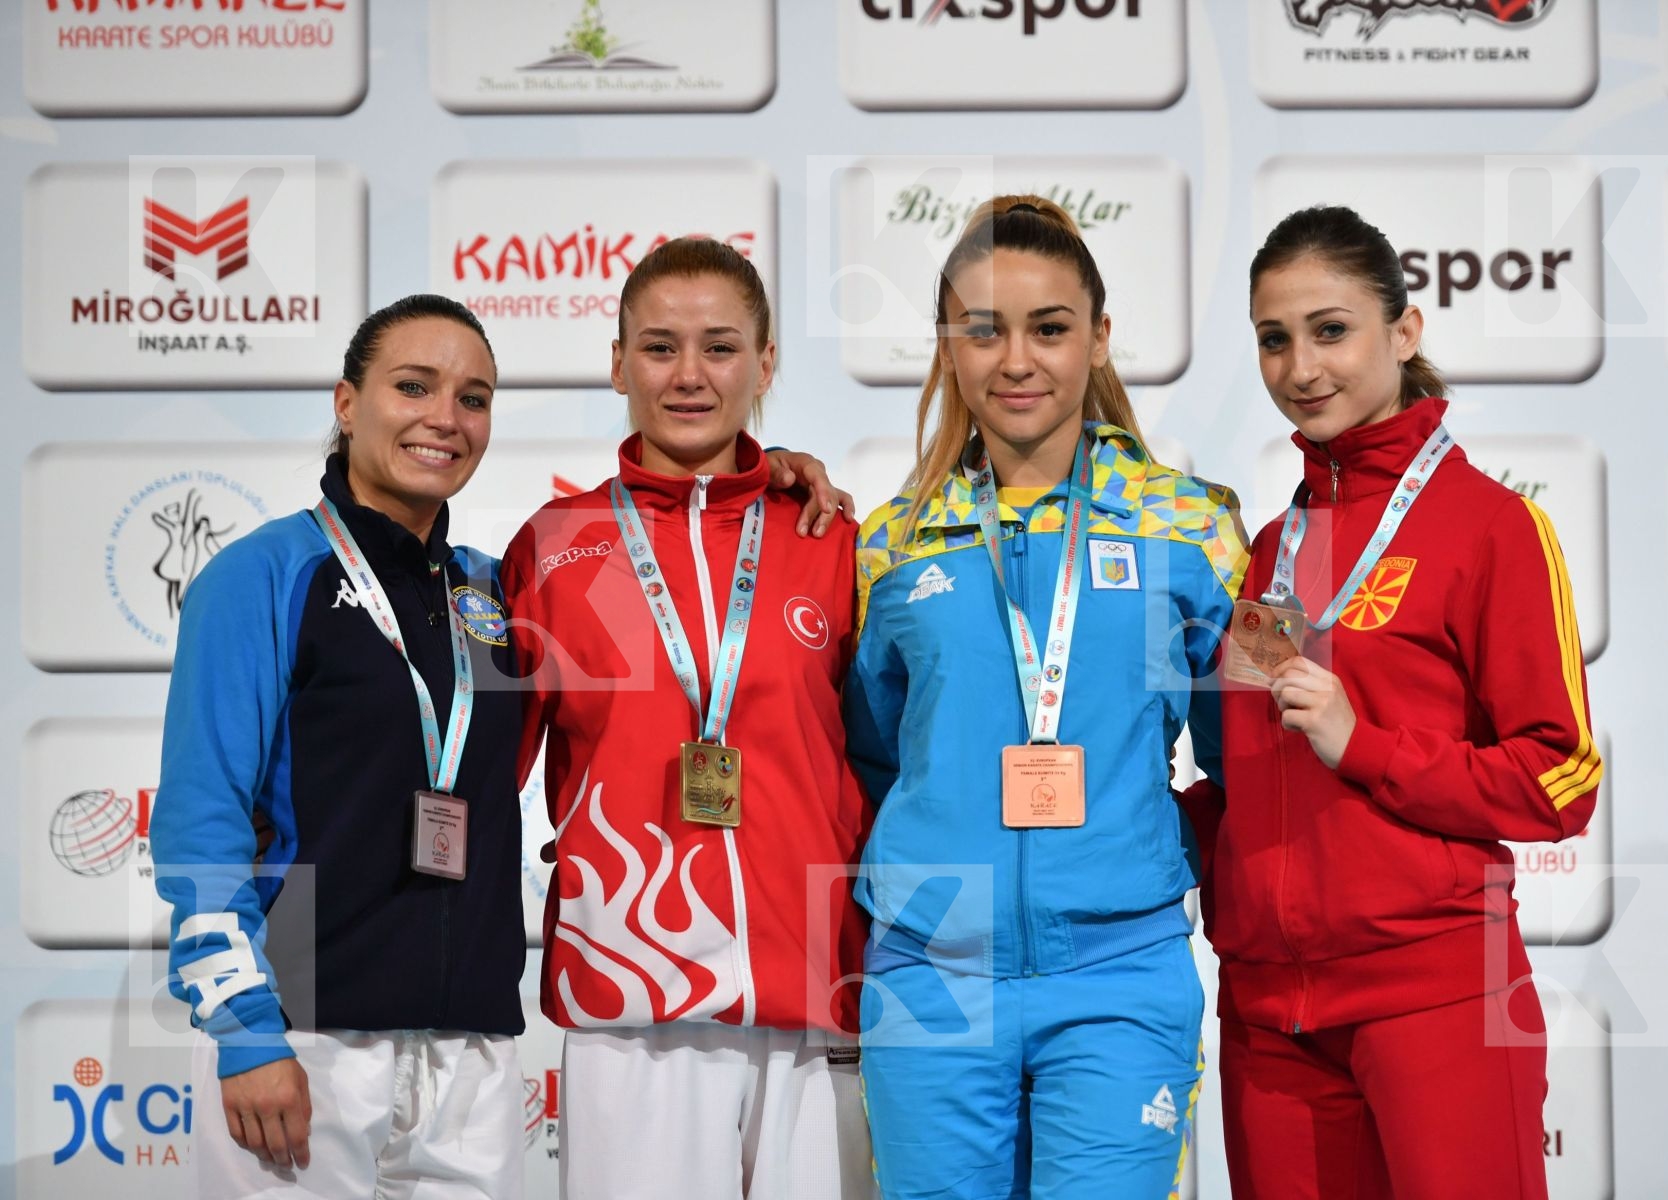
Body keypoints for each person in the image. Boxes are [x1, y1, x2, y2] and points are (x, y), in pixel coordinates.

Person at [1187, 204, 1601, 1200]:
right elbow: (1252, 786)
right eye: (1274, 339)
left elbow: (1560, 778)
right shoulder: (1272, 545)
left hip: (1436, 998)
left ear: (1404, 333)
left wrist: (1362, 744)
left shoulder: (1492, 527)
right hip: (1268, 1018)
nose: (1301, 366)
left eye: (1331, 330)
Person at [844, 195, 1248, 1199]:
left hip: (1119, 969)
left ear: (1099, 338)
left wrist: (1133, 846)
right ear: (947, 347)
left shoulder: (1188, 529)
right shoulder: (892, 542)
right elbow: (876, 751)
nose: (1015, 360)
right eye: (983, 331)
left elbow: (1241, 756)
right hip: (930, 968)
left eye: (1050, 328)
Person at [501, 236, 875, 1200]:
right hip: (634, 985)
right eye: (660, 347)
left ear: (767, 364)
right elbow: (481, 767)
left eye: (720, 346)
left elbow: (885, 758)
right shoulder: (554, 545)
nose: (690, 376)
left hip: (810, 983)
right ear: (618, 363)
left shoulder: (831, 537)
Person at [152, 294, 529, 1198]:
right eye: (414, 386)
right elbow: (202, 818)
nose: (446, 417)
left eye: (473, 398)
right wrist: (246, 1030)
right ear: (346, 402)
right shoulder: (264, 576)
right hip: (308, 1040)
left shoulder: (494, 591)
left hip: (470, 1051)